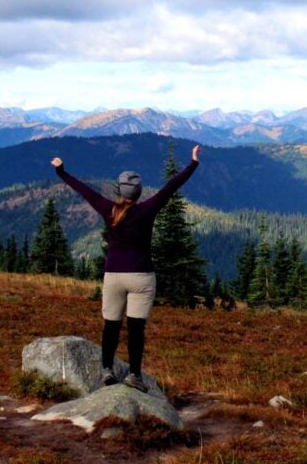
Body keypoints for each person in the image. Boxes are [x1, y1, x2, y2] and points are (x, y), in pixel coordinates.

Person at [50, 145, 200, 392]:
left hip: (114, 276)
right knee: (136, 329)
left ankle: (107, 370)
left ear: (120, 191)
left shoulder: (109, 209)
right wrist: (193, 163)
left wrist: (62, 172)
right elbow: (171, 186)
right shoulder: (148, 209)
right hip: (142, 276)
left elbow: (84, 191)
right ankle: (134, 375)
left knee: (110, 325)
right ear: (139, 192)